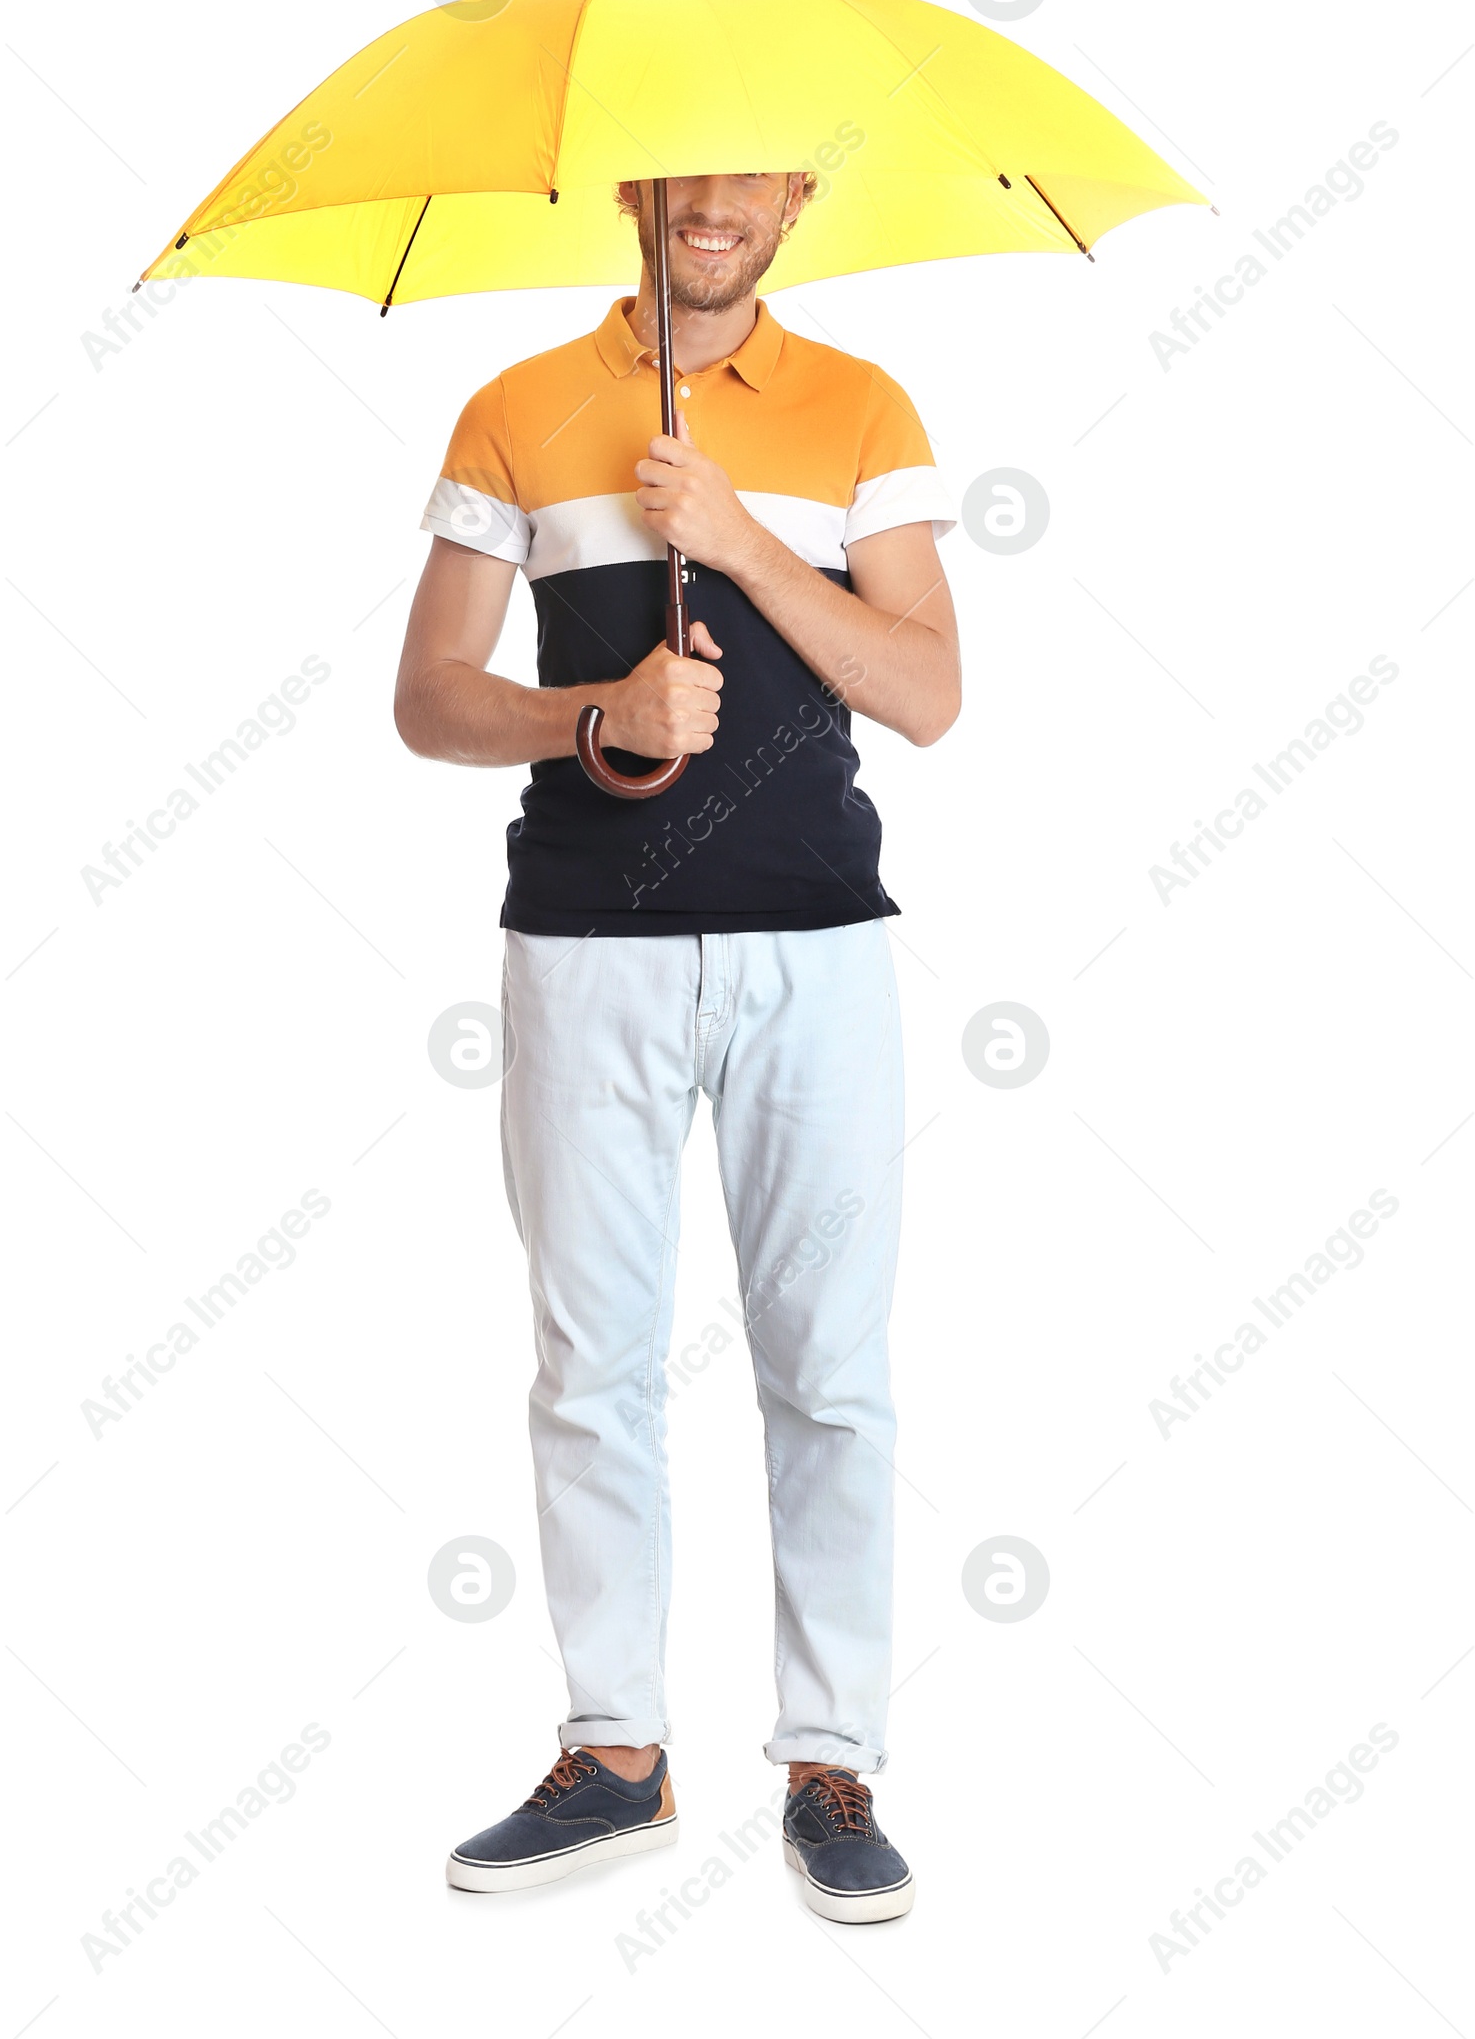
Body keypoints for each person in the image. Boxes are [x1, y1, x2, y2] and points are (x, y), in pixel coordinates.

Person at [394, 169, 959, 1922]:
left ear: (798, 190)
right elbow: (427, 698)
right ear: (631, 181)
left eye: (753, 170)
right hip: (585, 951)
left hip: (818, 956)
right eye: (683, 170)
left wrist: (740, 530)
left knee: (833, 1374)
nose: (715, 202)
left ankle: (832, 1760)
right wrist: (594, 717)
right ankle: (617, 1752)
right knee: (591, 1366)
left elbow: (926, 690)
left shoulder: (865, 405)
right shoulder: (520, 406)